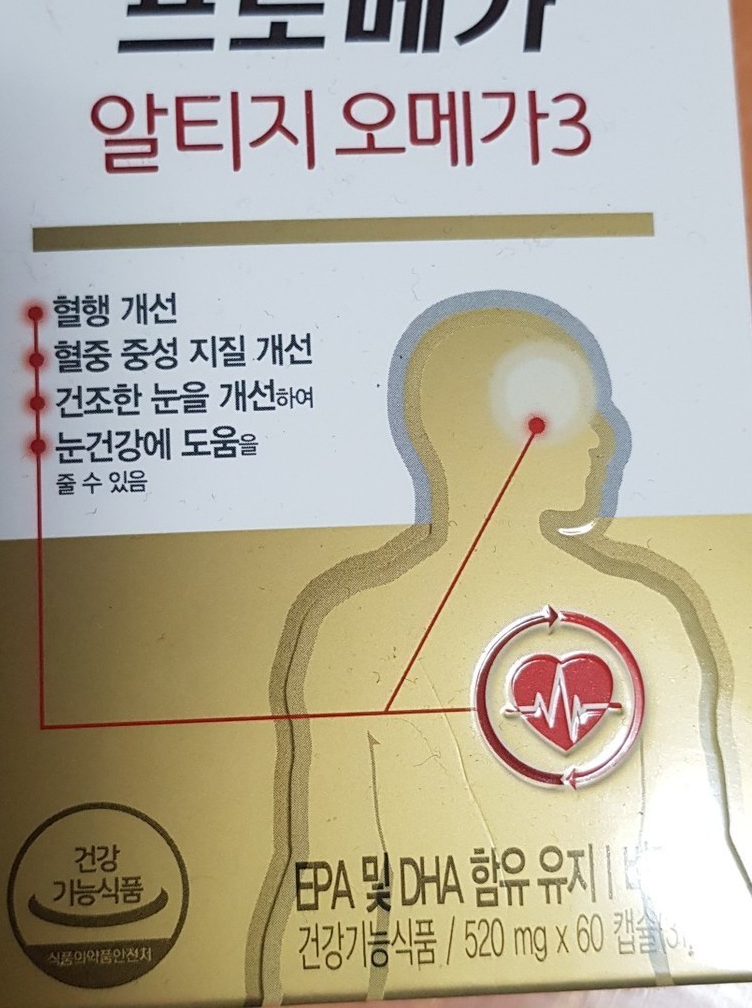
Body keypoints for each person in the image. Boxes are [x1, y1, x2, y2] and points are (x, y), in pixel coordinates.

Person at [247, 293, 752, 1003]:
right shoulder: (358, 631)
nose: (606, 433)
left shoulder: (651, 616)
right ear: (475, 435)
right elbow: (329, 891)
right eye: (573, 410)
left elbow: (712, 878)